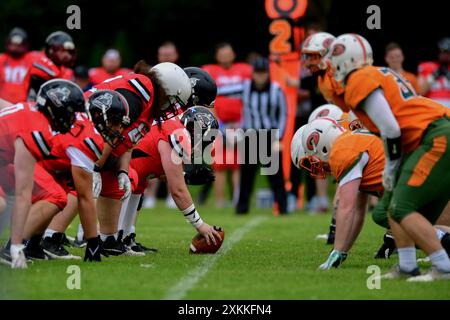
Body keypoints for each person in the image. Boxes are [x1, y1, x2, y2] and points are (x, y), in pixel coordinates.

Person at [329, 33, 450, 281]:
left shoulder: (359, 79)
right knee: (393, 206)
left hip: (433, 134)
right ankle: (407, 265)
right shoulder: (377, 72)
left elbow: (391, 129)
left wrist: (391, 166)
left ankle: (443, 266)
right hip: (427, 134)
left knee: (402, 206)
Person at [291, 117, 450, 269]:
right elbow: (358, 211)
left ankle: (440, 249)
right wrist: (341, 251)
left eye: (310, 162)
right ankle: (424, 255)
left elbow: (347, 208)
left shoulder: (341, 151)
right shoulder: (351, 141)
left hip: (421, 168)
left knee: (385, 213)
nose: (314, 168)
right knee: (416, 221)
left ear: (322, 145)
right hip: (427, 166)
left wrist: (337, 252)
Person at [0, 79, 84, 268]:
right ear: (56, 108)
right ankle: (12, 248)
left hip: (4, 162)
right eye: (71, 113)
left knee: (53, 193)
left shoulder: (31, 110)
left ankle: (25, 246)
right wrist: (15, 246)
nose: (73, 120)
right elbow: (23, 194)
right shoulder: (36, 131)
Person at [235, 57, 288, 215]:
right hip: (250, 135)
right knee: (247, 175)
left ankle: (283, 208)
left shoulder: (276, 89)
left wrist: (279, 138)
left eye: (263, 73)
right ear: (253, 74)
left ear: (268, 73)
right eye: (257, 73)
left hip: (269, 136)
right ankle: (242, 209)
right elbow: (222, 91)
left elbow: (284, 114)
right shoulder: (244, 87)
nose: (260, 76)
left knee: (275, 176)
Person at [203, 42, 252, 207]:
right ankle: (219, 200)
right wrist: (218, 124)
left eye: (227, 53)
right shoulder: (210, 71)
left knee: (238, 164)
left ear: (233, 54)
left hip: (240, 124)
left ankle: (238, 199)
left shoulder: (245, 70)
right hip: (219, 124)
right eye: (222, 54)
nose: (225, 57)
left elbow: (250, 98)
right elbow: (207, 101)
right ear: (217, 56)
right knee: (220, 165)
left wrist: (243, 122)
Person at [24, 31, 75, 101]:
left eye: (69, 52)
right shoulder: (40, 61)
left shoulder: (62, 68)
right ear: (51, 50)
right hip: (25, 103)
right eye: (62, 50)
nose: (67, 55)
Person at [0, 28, 42, 104]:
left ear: (25, 45)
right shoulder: (2, 59)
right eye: (13, 44)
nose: (15, 47)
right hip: (3, 104)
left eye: (19, 45)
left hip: (23, 105)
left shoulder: (32, 58)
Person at [417, 37, 450, 108]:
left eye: (447, 52)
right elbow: (420, 92)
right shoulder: (427, 66)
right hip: (432, 107)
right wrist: (433, 76)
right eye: (443, 52)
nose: (445, 55)